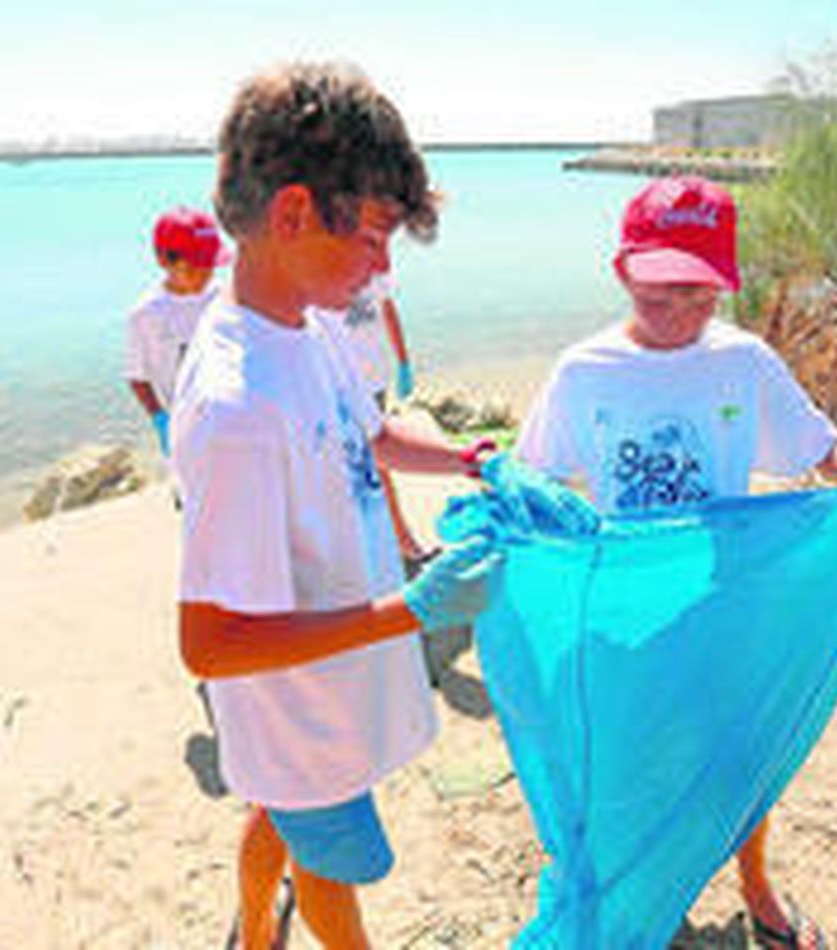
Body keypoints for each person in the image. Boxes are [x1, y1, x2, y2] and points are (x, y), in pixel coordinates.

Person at [171, 62, 589, 950]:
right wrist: (413, 609)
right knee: (329, 860)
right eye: (372, 237)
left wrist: (479, 460)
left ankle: (250, 933)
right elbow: (209, 642)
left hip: (329, 683)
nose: (383, 264)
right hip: (297, 710)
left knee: (279, 818)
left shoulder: (305, 324)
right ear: (291, 214)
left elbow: (369, 436)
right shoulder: (237, 409)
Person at [515, 175, 837, 949]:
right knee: (626, 754)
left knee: (740, 748)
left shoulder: (743, 361)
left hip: (724, 594)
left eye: (701, 294)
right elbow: (538, 473)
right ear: (623, 271)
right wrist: (512, 501)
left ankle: (755, 883)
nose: (680, 312)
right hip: (626, 602)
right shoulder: (584, 370)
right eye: (659, 293)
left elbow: (819, 449)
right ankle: (638, 891)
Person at [319, 273, 430, 564]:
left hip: (375, 380)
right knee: (364, 465)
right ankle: (400, 541)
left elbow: (388, 309)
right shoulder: (322, 267)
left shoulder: (371, 261)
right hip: (341, 386)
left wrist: (403, 361)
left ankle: (399, 541)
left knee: (376, 465)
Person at [124, 206, 231, 457]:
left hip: (229, 418)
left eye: (210, 266)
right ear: (163, 260)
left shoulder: (226, 299)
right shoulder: (146, 315)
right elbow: (137, 376)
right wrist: (159, 418)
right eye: (195, 267)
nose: (205, 275)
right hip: (183, 425)